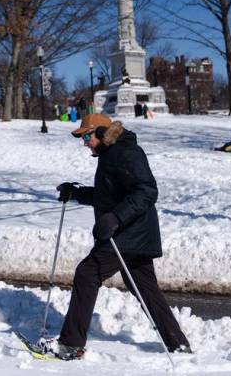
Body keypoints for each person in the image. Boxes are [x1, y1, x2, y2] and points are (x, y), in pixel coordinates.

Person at [51, 114, 191, 360]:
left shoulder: (126, 152)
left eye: (87, 136)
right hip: (133, 233)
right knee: (145, 288)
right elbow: (108, 195)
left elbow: (147, 190)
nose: (85, 142)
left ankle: (71, 345)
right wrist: (76, 193)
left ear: (101, 132)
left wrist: (116, 218)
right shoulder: (110, 154)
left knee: (87, 273)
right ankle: (177, 344)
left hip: (128, 233)